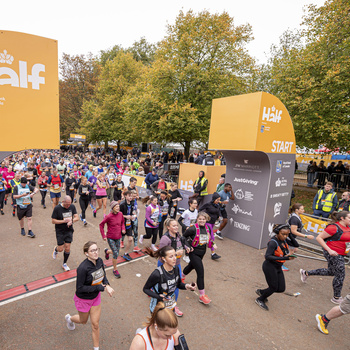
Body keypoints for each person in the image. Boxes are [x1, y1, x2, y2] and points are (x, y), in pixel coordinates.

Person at [64, 241, 114, 350]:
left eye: (97, 249)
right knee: (83, 321)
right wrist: (100, 288)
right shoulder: (82, 268)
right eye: (92, 251)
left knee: (95, 325)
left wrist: (107, 285)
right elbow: (80, 288)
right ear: (86, 253)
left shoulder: (100, 261)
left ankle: (96, 348)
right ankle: (70, 319)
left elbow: (103, 275)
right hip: (83, 299)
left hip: (95, 298)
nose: (96, 252)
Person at [300, 211, 350, 304]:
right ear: (342, 218)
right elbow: (319, 238)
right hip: (332, 252)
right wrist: (330, 250)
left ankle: (306, 273)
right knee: (340, 273)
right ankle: (336, 297)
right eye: (349, 218)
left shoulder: (347, 227)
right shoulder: (333, 227)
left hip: (341, 253)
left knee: (331, 272)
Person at [143, 246, 196, 313]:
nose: (175, 259)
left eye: (175, 255)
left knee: (169, 323)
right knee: (158, 323)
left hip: (170, 305)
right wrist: (159, 297)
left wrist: (187, 286)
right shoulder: (157, 274)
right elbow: (145, 289)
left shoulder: (176, 269)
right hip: (157, 307)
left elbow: (178, 284)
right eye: (171, 257)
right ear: (164, 259)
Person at [255, 224, 295, 311]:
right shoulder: (273, 242)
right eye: (283, 234)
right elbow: (267, 256)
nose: (285, 236)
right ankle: (260, 299)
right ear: (277, 233)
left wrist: (290, 235)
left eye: (287, 234)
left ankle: (261, 292)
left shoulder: (284, 240)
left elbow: (296, 244)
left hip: (278, 266)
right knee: (273, 287)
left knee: (281, 288)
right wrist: (286, 258)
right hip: (269, 266)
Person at [182, 212, 218, 304]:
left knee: (191, 266)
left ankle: (181, 276)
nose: (202, 220)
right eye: (200, 219)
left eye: (203, 219)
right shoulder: (193, 229)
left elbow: (209, 239)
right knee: (200, 272)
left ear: (206, 220)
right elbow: (183, 237)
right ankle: (202, 296)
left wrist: (213, 244)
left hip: (202, 253)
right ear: (197, 219)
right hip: (193, 253)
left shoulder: (208, 228)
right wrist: (187, 246)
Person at [158, 219, 191, 317]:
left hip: (176, 265)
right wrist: (176, 254)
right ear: (168, 227)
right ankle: (153, 291)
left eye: (177, 225)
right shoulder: (165, 239)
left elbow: (181, 243)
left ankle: (174, 305)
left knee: (176, 285)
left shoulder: (178, 235)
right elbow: (161, 255)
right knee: (161, 284)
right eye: (174, 226)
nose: (176, 227)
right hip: (164, 266)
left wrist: (186, 247)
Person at [282, 203, 315, 271]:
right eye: (302, 209)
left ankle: (278, 259)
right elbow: (293, 231)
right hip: (289, 237)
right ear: (297, 210)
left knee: (294, 250)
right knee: (290, 252)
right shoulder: (294, 218)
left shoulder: (296, 216)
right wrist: (306, 236)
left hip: (290, 237)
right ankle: (279, 263)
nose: (304, 210)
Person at [52, 195, 79, 271]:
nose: (68, 206)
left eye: (69, 204)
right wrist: (64, 221)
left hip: (69, 230)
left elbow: (77, 217)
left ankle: (64, 263)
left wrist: (72, 221)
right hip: (60, 230)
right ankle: (56, 250)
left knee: (67, 247)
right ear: (63, 202)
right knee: (61, 249)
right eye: (67, 204)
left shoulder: (72, 207)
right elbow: (53, 221)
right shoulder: (57, 208)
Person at [100, 201, 125, 278]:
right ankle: (115, 269)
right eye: (116, 206)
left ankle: (107, 251)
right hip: (110, 237)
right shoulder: (108, 216)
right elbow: (101, 225)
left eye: (118, 206)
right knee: (115, 254)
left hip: (118, 237)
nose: (118, 208)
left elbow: (122, 222)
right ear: (112, 208)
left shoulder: (120, 214)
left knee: (116, 252)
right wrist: (103, 236)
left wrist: (123, 229)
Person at [198, 193, 222, 260]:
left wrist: (219, 216)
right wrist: (202, 218)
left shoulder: (217, 205)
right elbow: (200, 209)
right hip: (207, 223)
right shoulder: (208, 204)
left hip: (213, 223)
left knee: (206, 236)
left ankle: (201, 247)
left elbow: (218, 211)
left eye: (219, 200)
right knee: (211, 237)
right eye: (217, 200)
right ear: (214, 199)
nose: (218, 201)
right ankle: (213, 253)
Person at [119, 190, 136, 260]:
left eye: (131, 196)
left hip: (129, 224)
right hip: (122, 224)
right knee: (117, 240)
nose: (131, 197)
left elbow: (131, 211)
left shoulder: (132, 203)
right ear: (125, 196)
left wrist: (133, 214)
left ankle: (126, 253)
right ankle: (109, 251)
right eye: (129, 196)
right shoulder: (122, 204)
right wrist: (126, 216)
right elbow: (118, 215)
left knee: (130, 239)